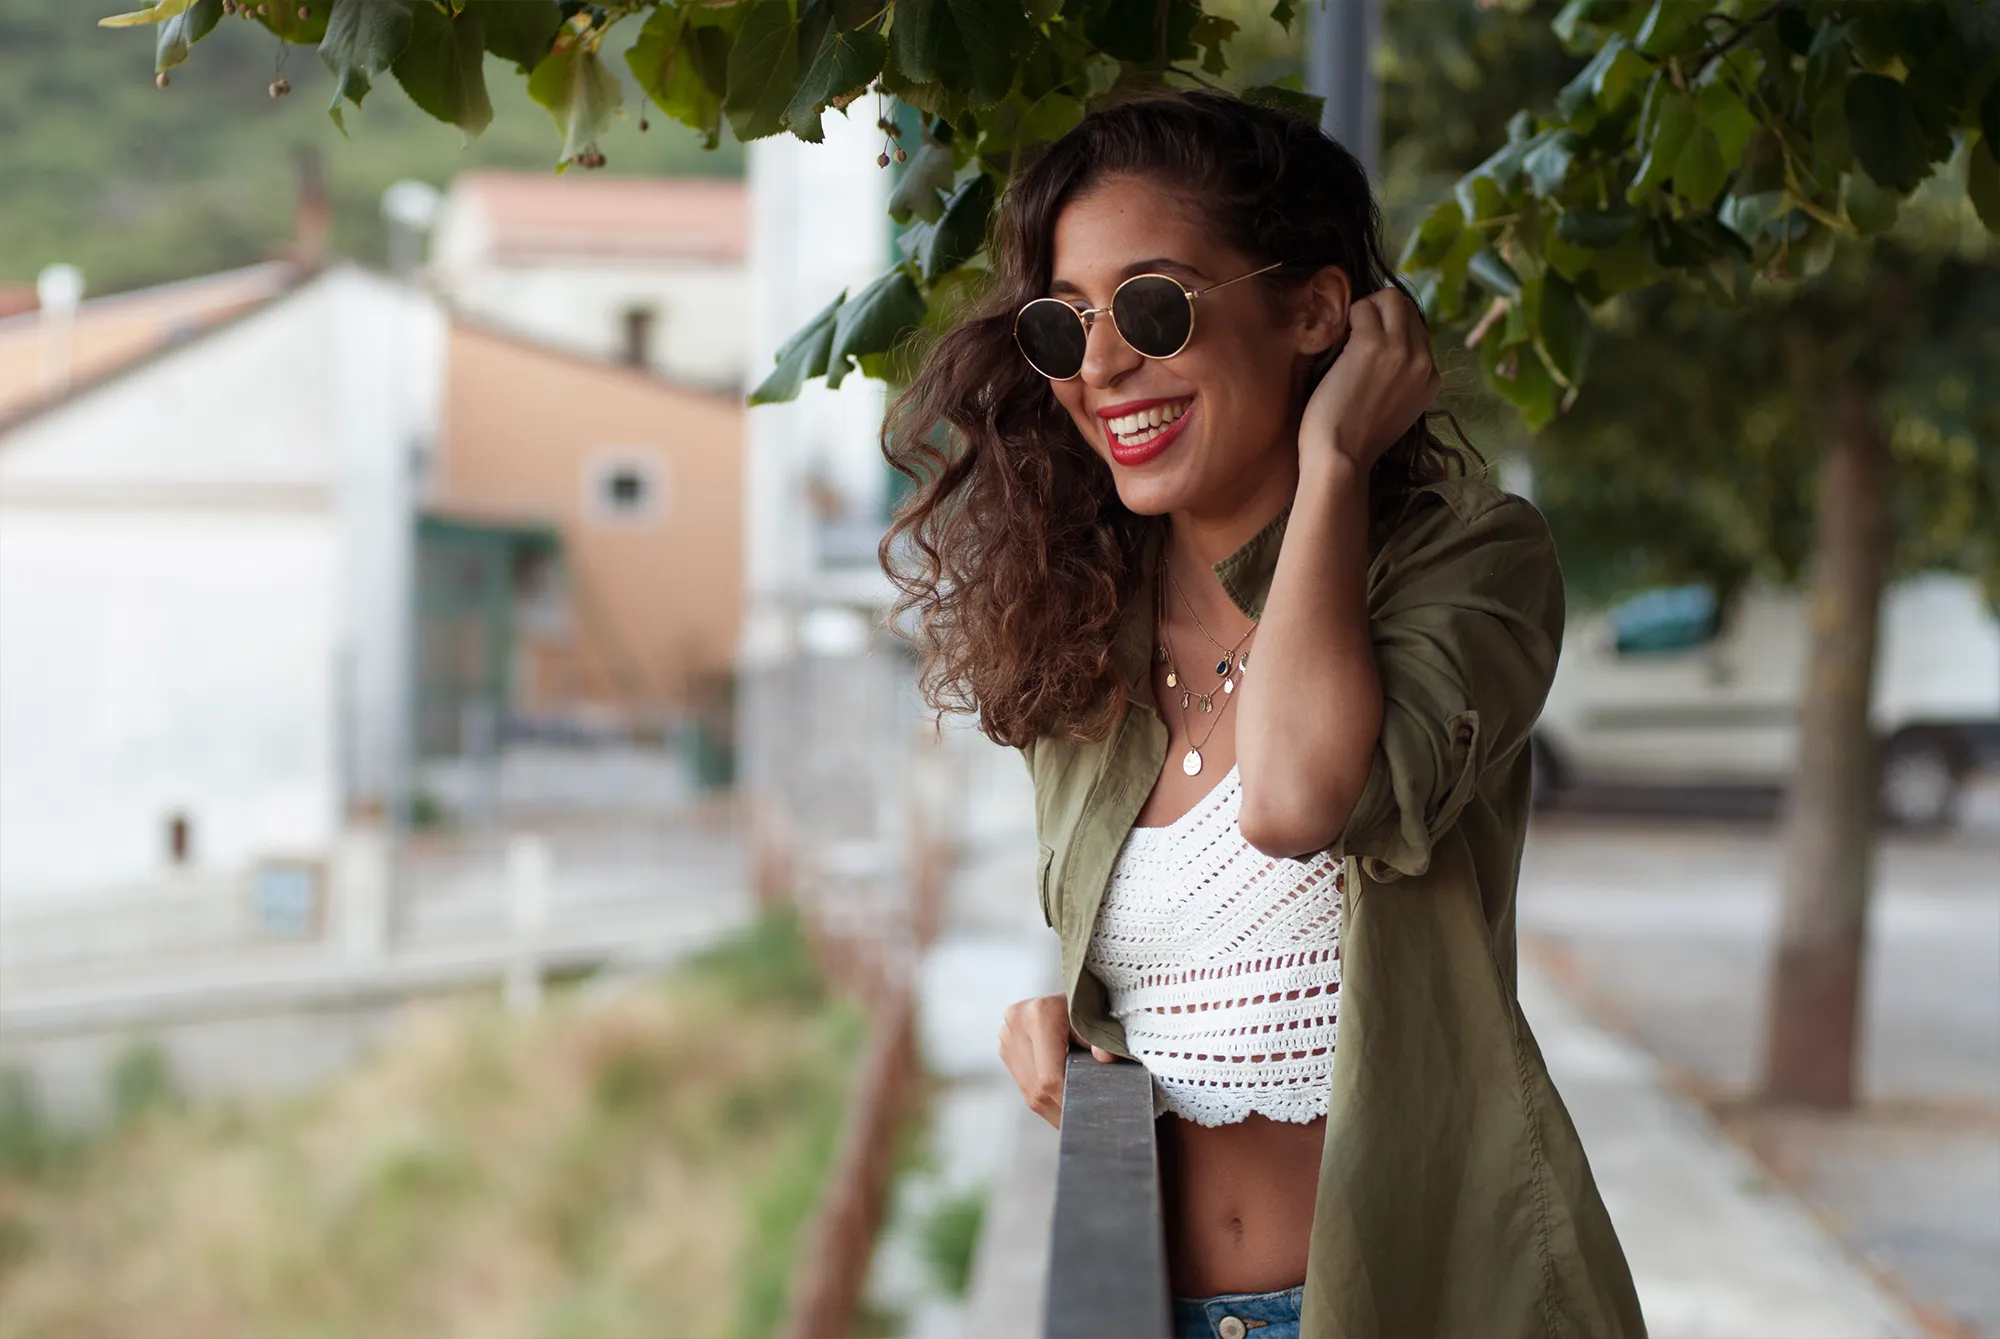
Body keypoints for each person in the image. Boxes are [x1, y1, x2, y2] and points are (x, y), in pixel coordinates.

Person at [880, 91, 1645, 1339]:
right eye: (1063, 326)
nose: (1103, 363)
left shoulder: (1471, 565)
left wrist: (1334, 461)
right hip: (1154, 1303)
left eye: (1152, 305)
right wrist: (1056, 1024)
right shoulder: (1077, 630)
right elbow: (1166, 968)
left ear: (1311, 310)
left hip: (1411, 1303)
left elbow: (1297, 801)